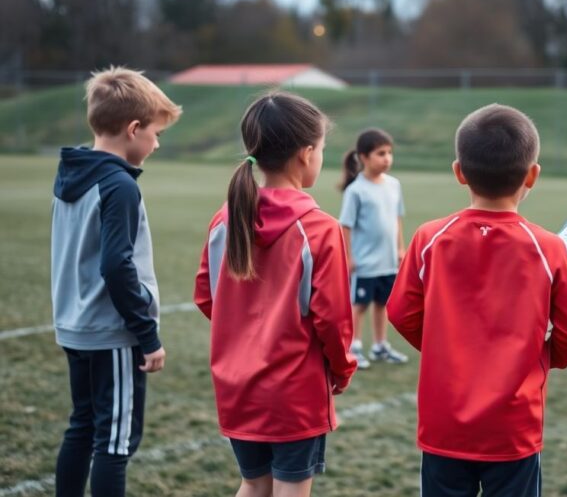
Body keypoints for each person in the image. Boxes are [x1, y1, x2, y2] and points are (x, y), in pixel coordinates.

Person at [387, 104, 567, 497]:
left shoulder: (429, 238)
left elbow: (401, 313)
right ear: (533, 176)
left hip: (445, 423)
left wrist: (446, 352)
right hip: (513, 426)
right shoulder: (549, 248)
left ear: (458, 171)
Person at [193, 92, 357, 497]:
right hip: (294, 394)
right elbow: (333, 318)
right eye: (321, 149)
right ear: (305, 154)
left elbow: (206, 295)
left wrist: (245, 339)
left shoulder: (224, 217)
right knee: (288, 488)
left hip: (236, 386)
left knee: (253, 484)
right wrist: (341, 369)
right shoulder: (319, 229)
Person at [51, 67, 181, 497]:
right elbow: (115, 265)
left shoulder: (71, 174)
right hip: (112, 334)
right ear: (132, 130)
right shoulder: (118, 184)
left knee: (82, 427)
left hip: (75, 327)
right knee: (114, 443)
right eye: (156, 133)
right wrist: (147, 333)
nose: (158, 143)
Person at [339, 128, 408, 368]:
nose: (387, 158)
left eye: (389, 153)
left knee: (383, 304)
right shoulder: (355, 190)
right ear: (364, 157)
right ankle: (354, 347)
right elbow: (345, 226)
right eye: (380, 153)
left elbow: (397, 218)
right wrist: (349, 257)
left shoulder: (394, 185)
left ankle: (380, 346)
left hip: (387, 261)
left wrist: (400, 248)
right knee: (359, 306)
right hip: (365, 263)